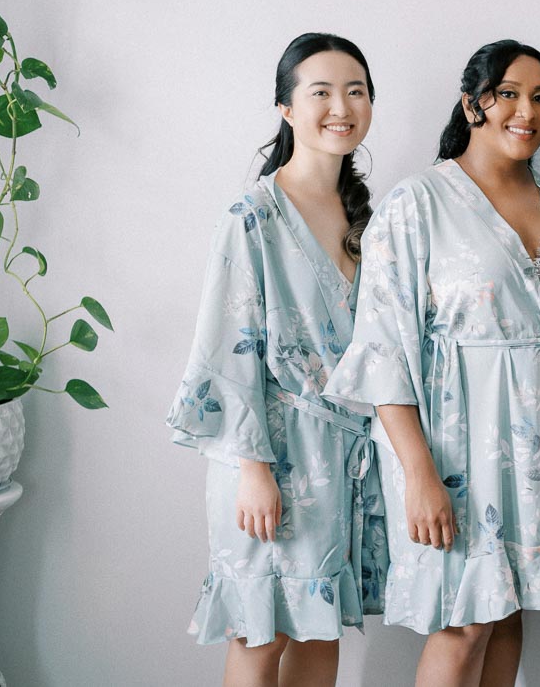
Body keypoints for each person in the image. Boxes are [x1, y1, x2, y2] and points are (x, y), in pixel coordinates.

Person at [324, 40, 540, 687]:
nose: (527, 111)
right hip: (453, 448)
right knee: (464, 622)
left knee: (506, 617)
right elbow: (384, 349)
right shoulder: (417, 206)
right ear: (472, 103)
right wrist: (418, 474)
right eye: (508, 94)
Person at [167, 33, 386, 686]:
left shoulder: (367, 217)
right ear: (286, 108)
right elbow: (227, 348)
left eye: (356, 90)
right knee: (261, 632)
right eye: (320, 91)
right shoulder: (252, 217)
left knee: (321, 631)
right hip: (269, 456)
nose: (341, 106)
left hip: (342, 458)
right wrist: (254, 471)